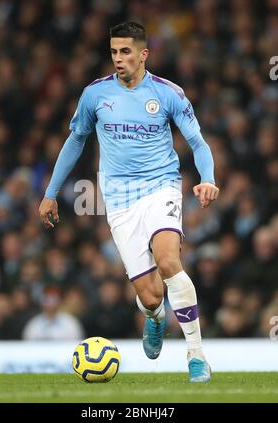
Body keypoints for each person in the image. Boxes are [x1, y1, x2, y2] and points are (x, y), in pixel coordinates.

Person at [39, 21, 219, 382]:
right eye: (114, 52)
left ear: (143, 54)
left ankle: (196, 356)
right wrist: (50, 192)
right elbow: (75, 141)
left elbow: (197, 142)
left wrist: (207, 179)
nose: (118, 59)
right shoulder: (94, 95)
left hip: (162, 187)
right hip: (119, 201)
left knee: (169, 261)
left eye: (125, 52)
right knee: (152, 297)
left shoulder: (169, 93)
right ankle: (154, 319)